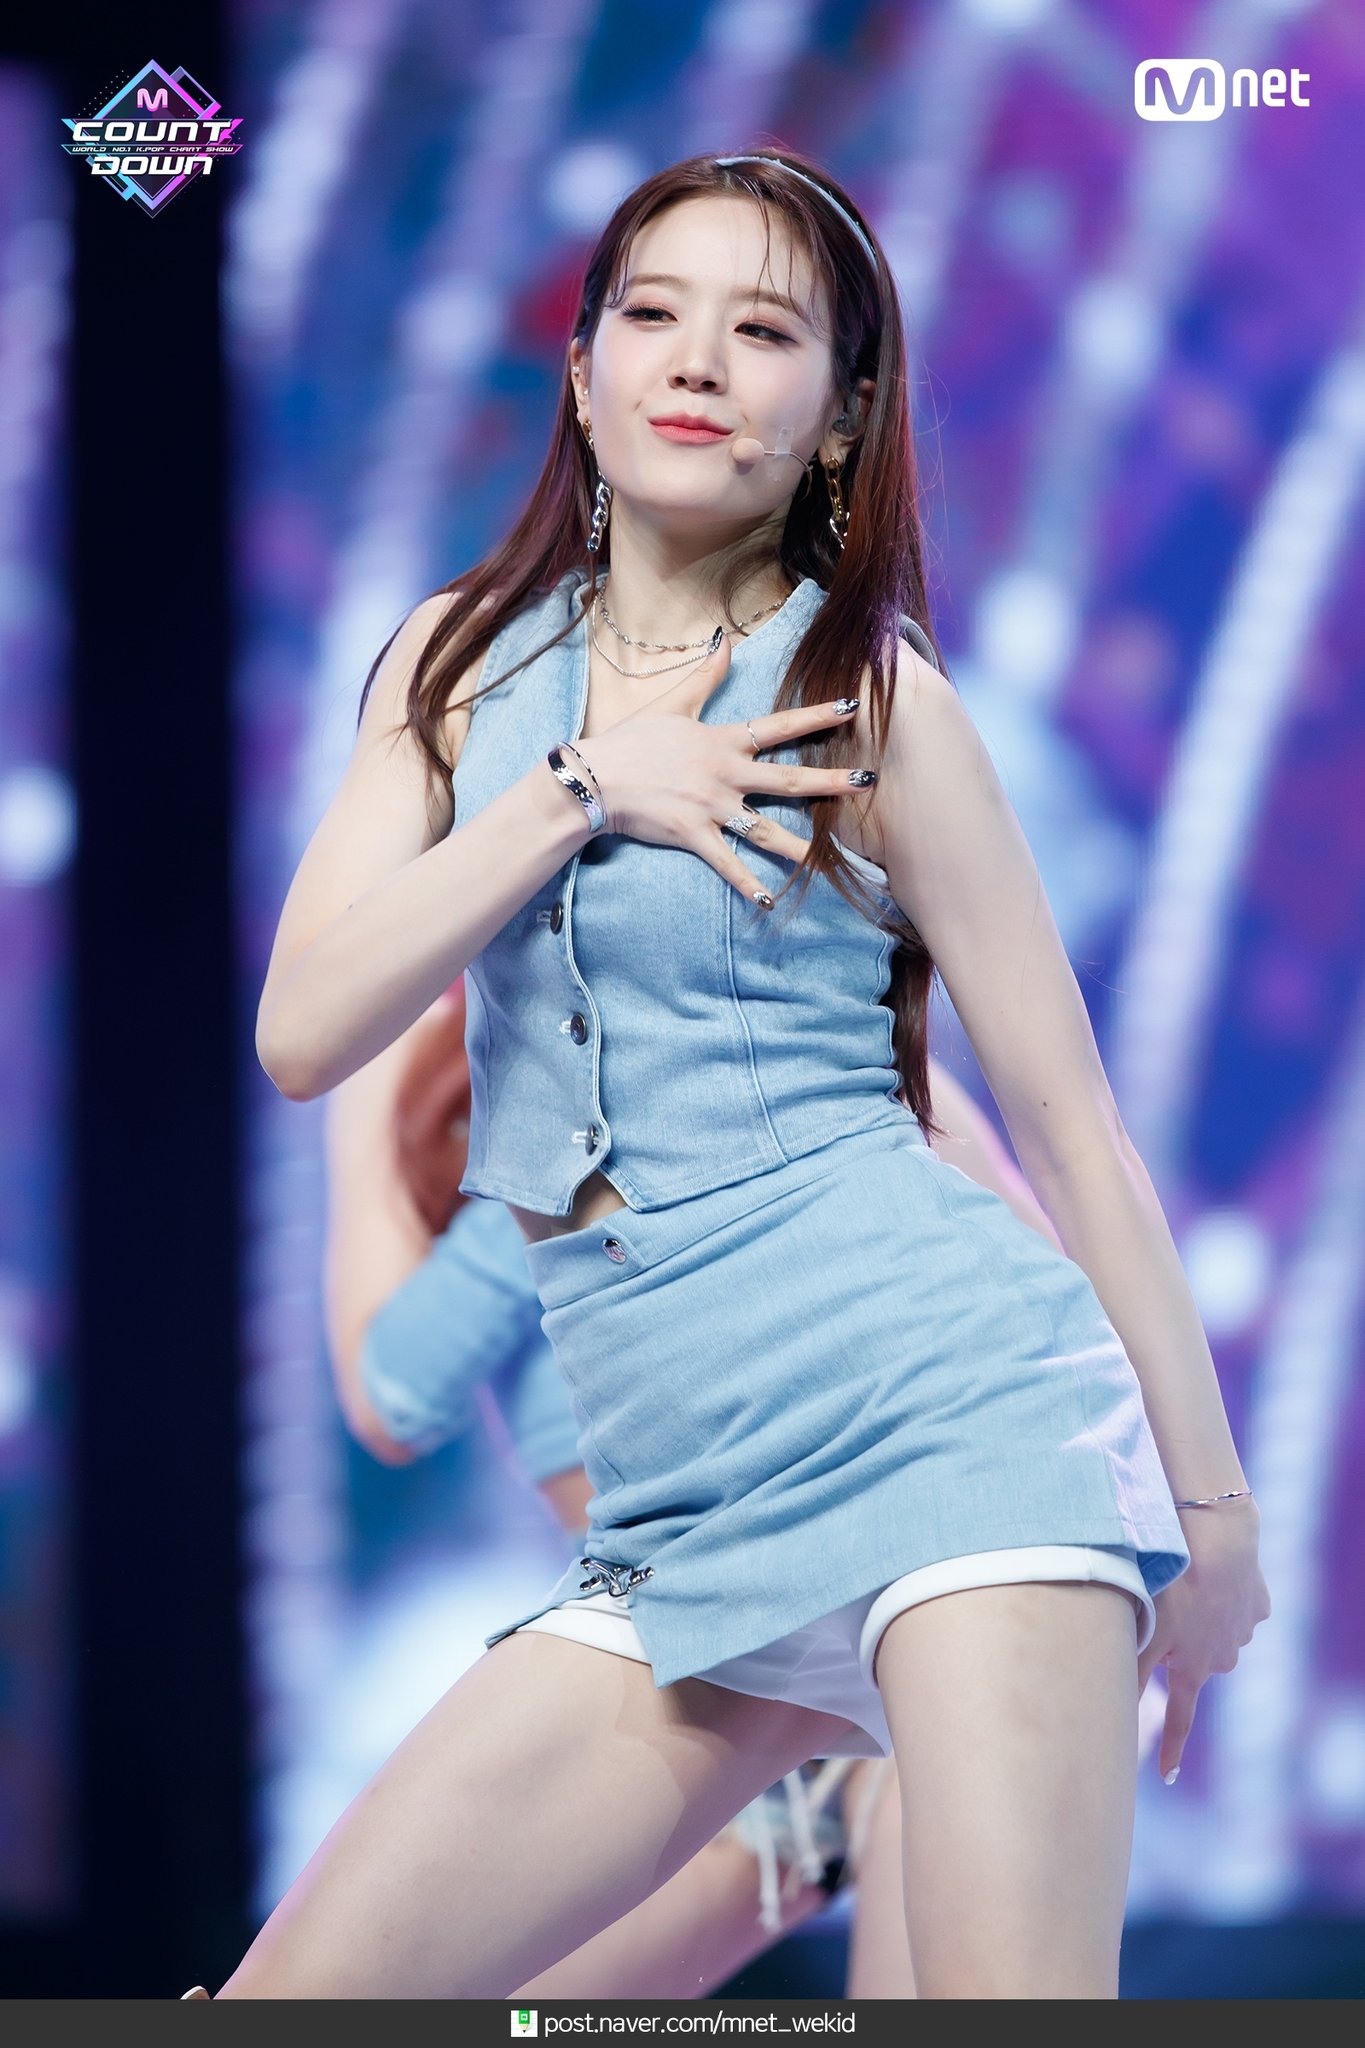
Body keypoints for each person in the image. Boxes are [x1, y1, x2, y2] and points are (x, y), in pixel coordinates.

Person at [202, 147, 1267, 2001]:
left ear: (840, 416)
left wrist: (1217, 1524)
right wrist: (585, 788)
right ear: (583, 371)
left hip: (958, 1436)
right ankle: (806, 1827)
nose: (697, 358)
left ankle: (824, 1831)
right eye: (653, 311)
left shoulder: (874, 700)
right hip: (678, 1515)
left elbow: (1074, 1132)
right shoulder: (452, 670)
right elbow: (305, 1031)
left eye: (765, 330)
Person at [325, 982, 1146, 1997]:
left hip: (903, 1603)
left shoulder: (776, 1028)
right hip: (710, 1653)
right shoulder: (459, 1059)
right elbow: (394, 1396)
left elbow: (1039, 1260)